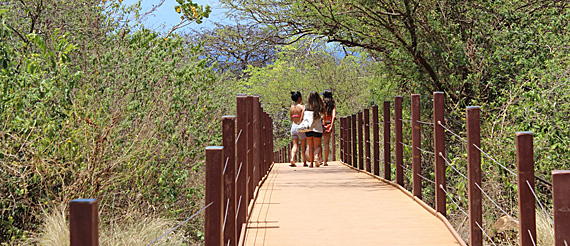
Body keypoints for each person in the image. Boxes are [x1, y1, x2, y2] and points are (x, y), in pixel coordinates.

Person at [304, 91, 325, 168]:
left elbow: (303, 116)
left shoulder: (306, 106)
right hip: (318, 128)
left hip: (309, 128)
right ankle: (316, 157)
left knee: (310, 146)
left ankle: (311, 163)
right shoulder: (321, 106)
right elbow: (324, 114)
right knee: (318, 146)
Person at [289, 91, 307, 167]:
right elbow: (303, 117)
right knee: (303, 145)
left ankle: (292, 158)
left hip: (293, 126)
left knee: (295, 145)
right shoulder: (302, 107)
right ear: (299, 98)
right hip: (300, 127)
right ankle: (304, 162)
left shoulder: (291, 108)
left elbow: (291, 118)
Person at [321, 90, 336, 166]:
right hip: (329, 125)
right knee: (326, 143)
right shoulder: (332, 104)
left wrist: (323, 121)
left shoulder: (322, 103)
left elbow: (322, 113)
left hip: (321, 124)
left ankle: (319, 159)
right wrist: (331, 125)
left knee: (318, 143)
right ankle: (325, 161)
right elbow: (334, 116)